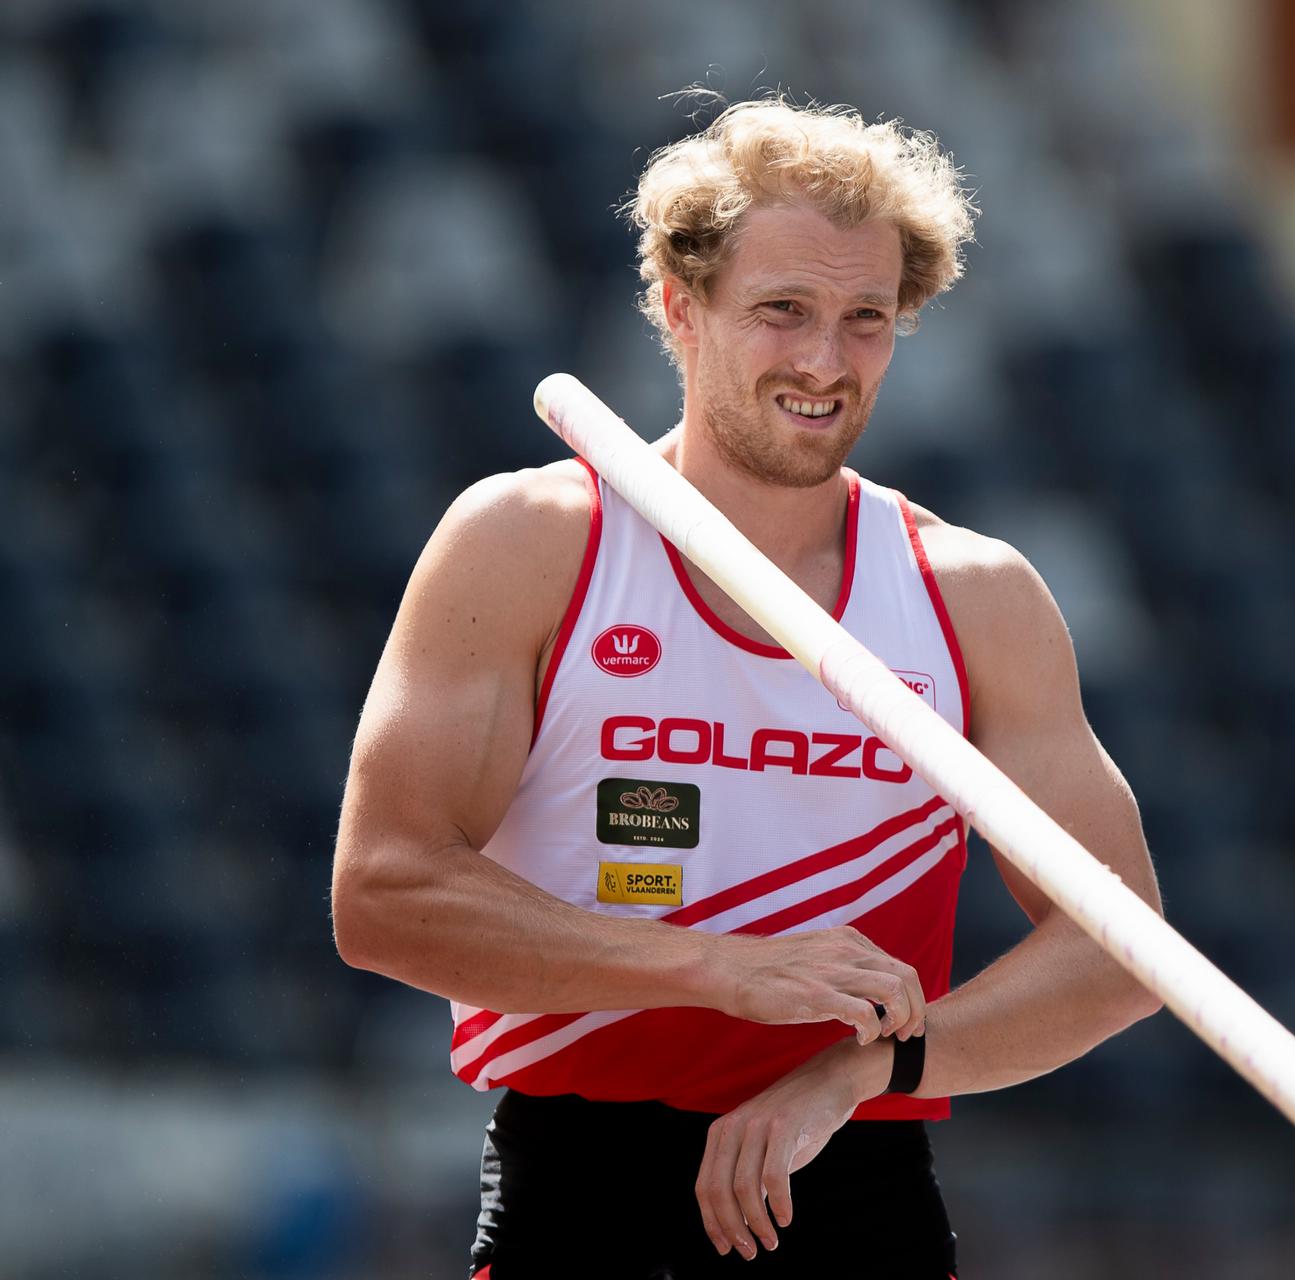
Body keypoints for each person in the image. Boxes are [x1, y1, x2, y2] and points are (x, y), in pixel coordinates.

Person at [330, 96, 1164, 1278]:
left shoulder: (974, 597)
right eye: (783, 311)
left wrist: (867, 1067)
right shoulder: (531, 543)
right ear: (682, 307)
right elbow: (383, 893)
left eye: (865, 320)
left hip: (853, 1175)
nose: (825, 361)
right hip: (583, 1186)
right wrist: (715, 964)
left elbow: (1120, 949)